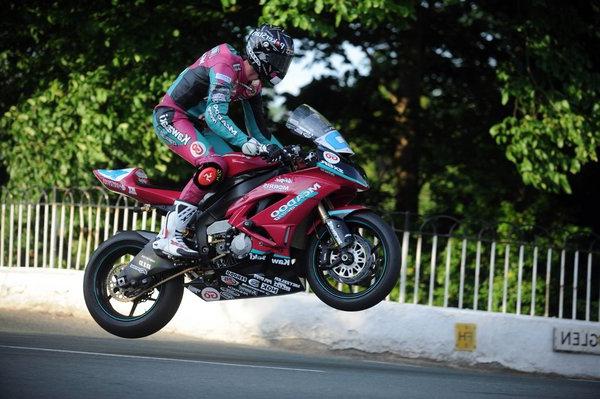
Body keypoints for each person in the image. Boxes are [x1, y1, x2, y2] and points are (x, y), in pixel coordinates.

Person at [151, 25, 294, 258]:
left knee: (238, 169)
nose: (280, 67)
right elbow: (215, 115)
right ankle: (168, 235)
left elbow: (260, 132)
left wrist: (287, 155)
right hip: (172, 117)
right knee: (213, 165)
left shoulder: (253, 85)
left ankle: (203, 227)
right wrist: (243, 140)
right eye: (277, 60)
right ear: (261, 54)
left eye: (284, 61)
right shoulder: (225, 63)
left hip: (201, 126)